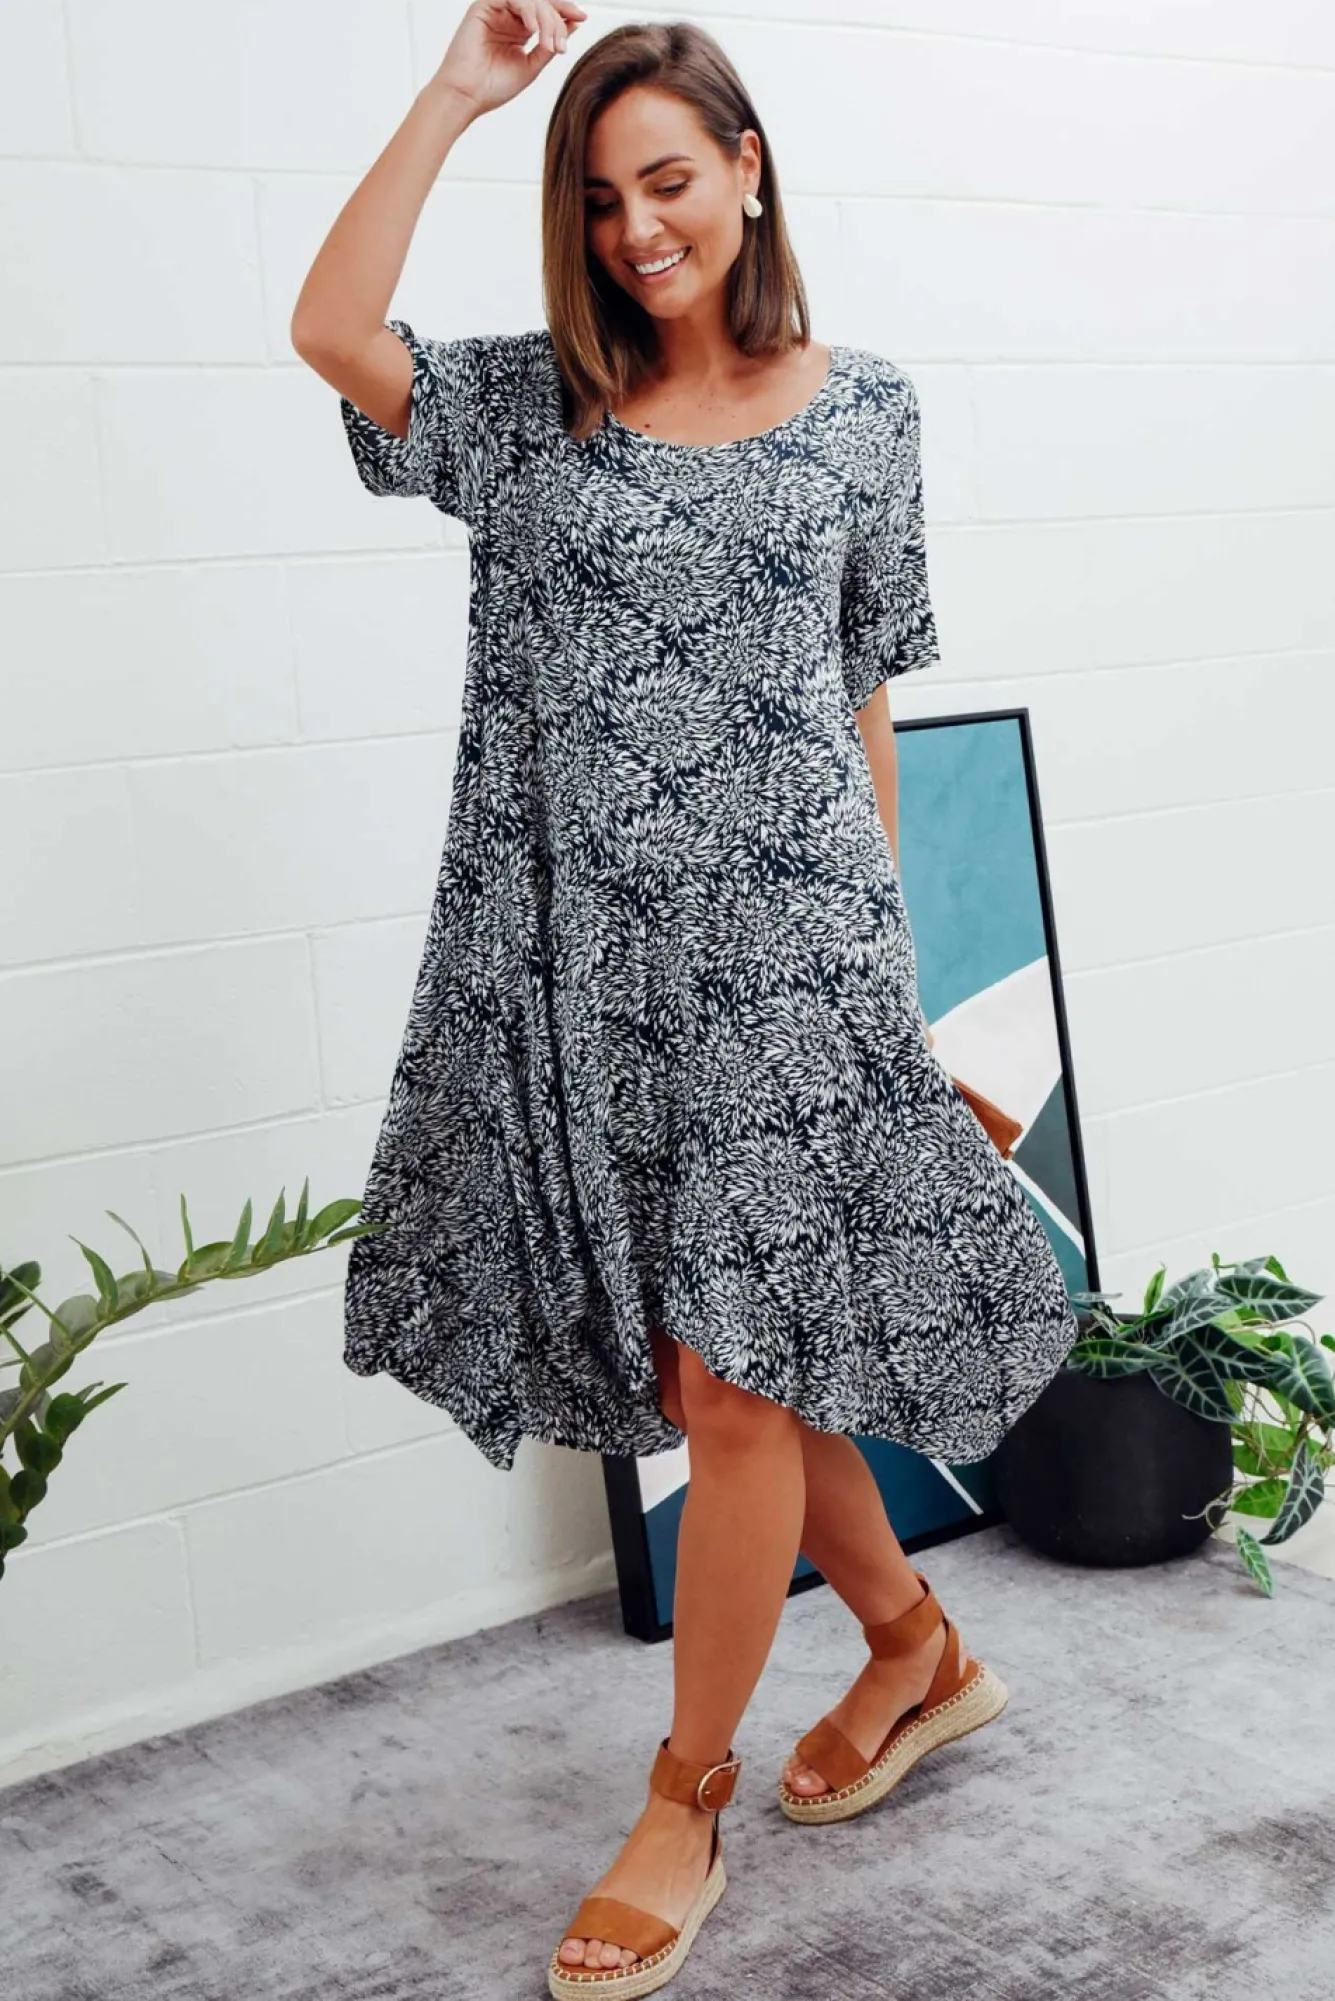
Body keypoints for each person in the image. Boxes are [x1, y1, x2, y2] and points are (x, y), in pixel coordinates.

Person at [292, 6, 1078, 1993]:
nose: (637, 227)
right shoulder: (531, 409)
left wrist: (882, 972)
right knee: (729, 1372)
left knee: (730, 1388)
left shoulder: (866, 408)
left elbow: (859, 691)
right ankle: (915, 1653)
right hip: (597, 976)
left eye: (667, 179)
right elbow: (330, 328)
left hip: (802, 976)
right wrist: (458, 96)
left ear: (746, 168)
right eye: (599, 196)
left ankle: (681, 1795)